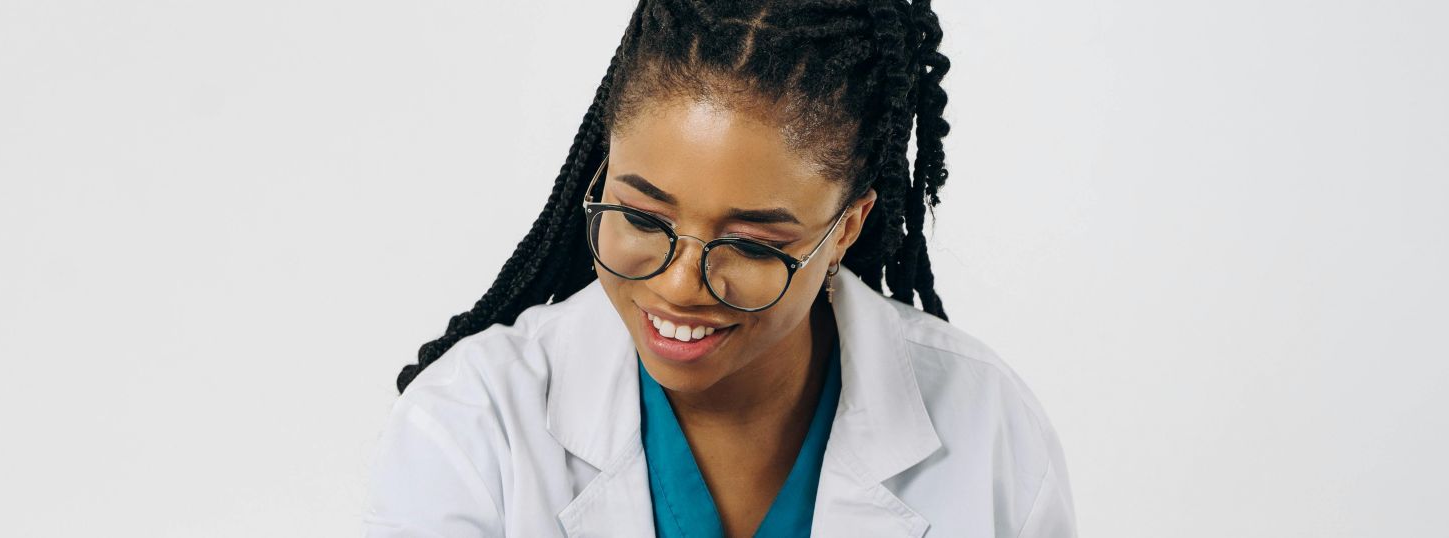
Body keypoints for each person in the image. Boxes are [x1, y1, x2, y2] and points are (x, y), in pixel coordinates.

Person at [365, 0, 1075, 535]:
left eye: (750, 244)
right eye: (642, 218)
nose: (678, 286)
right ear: (602, 175)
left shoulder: (989, 429)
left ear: (845, 230)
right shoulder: (471, 427)